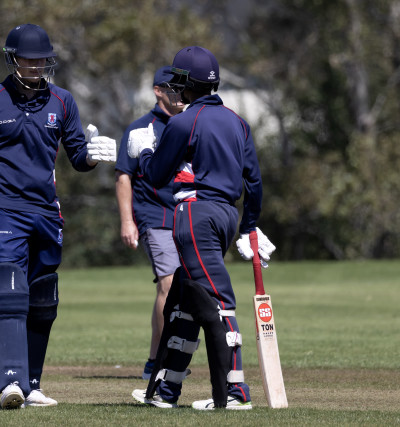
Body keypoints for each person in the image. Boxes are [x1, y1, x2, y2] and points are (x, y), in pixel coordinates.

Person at [0, 23, 116, 410]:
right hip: (3, 206)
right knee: (8, 290)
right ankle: (10, 381)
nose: (36, 66)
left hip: (46, 211)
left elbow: (77, 157)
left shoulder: (63, 101)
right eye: (28, 60)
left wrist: (92, 154)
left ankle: (32, 383)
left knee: (42, 298)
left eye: (42, 60)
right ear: (12, 59)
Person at [128, 46, 276, 410]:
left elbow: (157, 175)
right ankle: (168, 390)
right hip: (226, 216)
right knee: (185, 300)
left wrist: (143, 152)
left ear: (185, 85)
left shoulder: (183, 122)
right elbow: (254, 183)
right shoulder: (238, 122)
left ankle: (235, 392)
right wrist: (249, 226)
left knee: (217, 301)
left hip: (195, 215)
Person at [114, 66, 183, 380]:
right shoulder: (140, 129)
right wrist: (127, 221)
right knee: (168, 285)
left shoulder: (190, 125)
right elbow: (123, 177)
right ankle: (160, 361)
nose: (179, 94)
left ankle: (159, 359)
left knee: (184, 289)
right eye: (172, 88)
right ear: (158, 90)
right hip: (154, 216)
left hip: (188, 216)